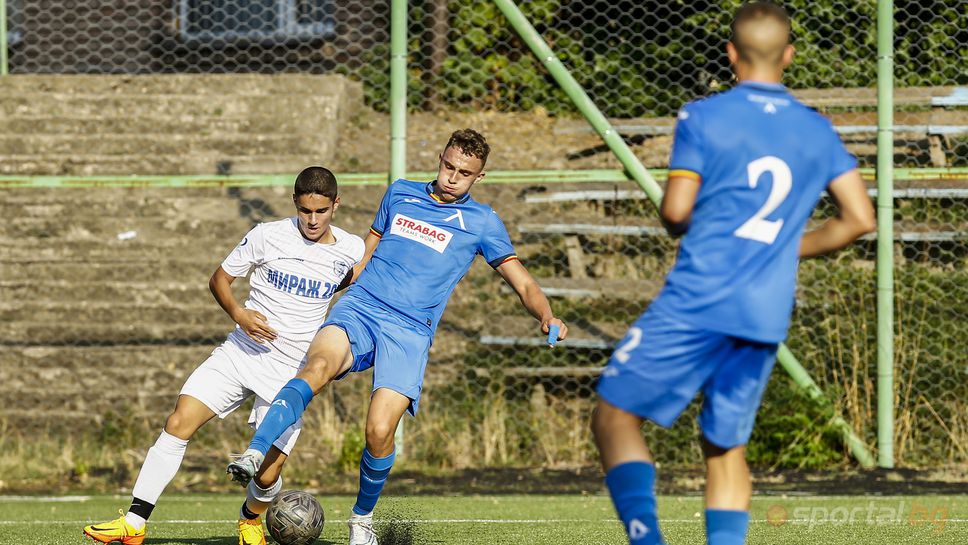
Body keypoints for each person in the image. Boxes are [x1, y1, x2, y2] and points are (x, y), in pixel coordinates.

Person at [591, 3, 876, 545]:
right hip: (764, 313)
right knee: (725, 448)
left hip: (699, 299)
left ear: (730, 54)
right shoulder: (818, 130)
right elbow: (860, 219)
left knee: (614, 414)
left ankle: (646, 540)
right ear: (788, 56)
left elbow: (675, 213)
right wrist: (786, 247)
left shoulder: (704, 116)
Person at [226, 128, 568, 545]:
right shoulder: (400, 192)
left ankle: (361, 521)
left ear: (479, 177)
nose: (452, 177)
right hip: (362, 307)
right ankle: (255, 451)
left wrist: (547, 315)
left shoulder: (482, 222)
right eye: (448, 166)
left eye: (464, 172)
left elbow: (523, 283)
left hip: (409, 331)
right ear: (440, 159)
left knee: (379, 430)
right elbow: (364, 255)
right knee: (317, 366)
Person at [83, 167, 364, 545]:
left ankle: (250, 518)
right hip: (241, 352)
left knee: (267, 475)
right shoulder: (267, 235)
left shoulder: (350, 249)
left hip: (292, 371)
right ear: (294, 203)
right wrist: (240, 315)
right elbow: (219, 279)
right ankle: (133, 524)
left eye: (321, 212)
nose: (312, 220)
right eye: (305, 211)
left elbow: (348, 283)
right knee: (179, 420)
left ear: (336, 205)